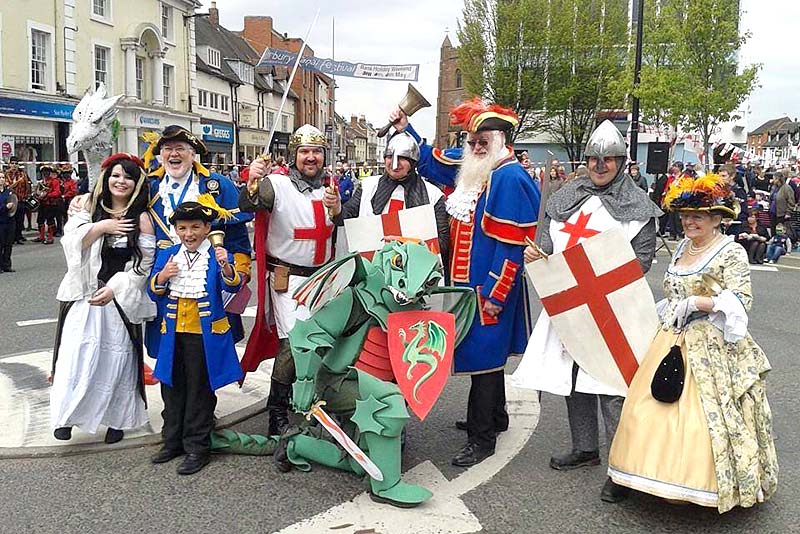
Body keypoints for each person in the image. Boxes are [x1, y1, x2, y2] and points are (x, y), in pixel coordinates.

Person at [608, 173, 778, 513]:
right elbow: (673, 292)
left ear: (717, 219)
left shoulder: (731, 252)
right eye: (685, 216)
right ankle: (635, 476)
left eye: (697, 216)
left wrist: (699, 304)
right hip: (671, 336)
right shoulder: (683, 247)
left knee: (703, 418)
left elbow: (741, 300)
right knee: (645, 406)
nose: (689, 222)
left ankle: (699, 485)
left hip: (710, 341)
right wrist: (668, 309)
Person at [512, 120, 662, 503]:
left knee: (612, 386)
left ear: (620, 161)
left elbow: (641, 260)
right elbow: (545, 245)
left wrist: (602, 281)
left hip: (614, 308)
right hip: (572, 304)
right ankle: (585, 448)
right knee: (574, 377)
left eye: (608, 159)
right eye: (594, 159)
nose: (600, 165)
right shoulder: (565, 196)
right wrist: (536, 255)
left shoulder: (637, 205)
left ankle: (622, 467)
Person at [439, 98, 540, 467]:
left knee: (482, 358)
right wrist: (406, 130)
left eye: (484, 140)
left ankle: (481, 438)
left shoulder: (509, 177)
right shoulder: (484, 171)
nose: (477, 147)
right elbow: (436, 160)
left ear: (501, 140)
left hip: (489, 289)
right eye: (473, 142)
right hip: (471, 287)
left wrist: (496, 294)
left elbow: (512, 248)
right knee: (487, 357)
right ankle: (496, 417)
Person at [239, 124, 340, 436]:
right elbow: (248, 204)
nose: (311, 158)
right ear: (293, 156)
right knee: (294, 345)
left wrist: (338, 211)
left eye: (316, 152)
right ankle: (277, 413)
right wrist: (253, 178)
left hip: (323, 280)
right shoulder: (277, 185)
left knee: (323, 345)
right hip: (288, 280)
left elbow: (340, 228)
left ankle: (311, 401)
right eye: (304, 152)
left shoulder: (331, 189)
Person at [50, 153, 156, 444]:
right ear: (106, 178)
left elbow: (143, 264)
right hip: (83, 294)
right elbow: (71, 244)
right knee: (76, 356)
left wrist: (116, 288)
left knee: (114, 361)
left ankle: (116, 419)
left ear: (137, 183)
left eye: (128, 177)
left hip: (118, 299)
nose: (121, 181)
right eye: (116, 175)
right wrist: (101, 227)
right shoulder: (87, 206)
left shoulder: (142, 218)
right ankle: (67, 416)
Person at [148, 200, 243, 475]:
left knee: (200, 391)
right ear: (176, 230)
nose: (189, 234)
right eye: (183, 228)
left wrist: (227, 266)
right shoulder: (169, 255)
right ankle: (172, 441)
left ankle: (197, 446)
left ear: (207, 228)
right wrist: (163, 276)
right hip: (173, 334)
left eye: (195, 227)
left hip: (205, 336)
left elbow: (233, 286)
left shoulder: (218, 254)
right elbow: (154, 290)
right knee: (172, 387)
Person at [144, 125, 252, 354]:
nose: (174, 154)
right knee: (169, 353)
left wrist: (239, 272)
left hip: (209, 283)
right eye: (167, 149)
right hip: (166, 278)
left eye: (180, 148)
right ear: (160, 154)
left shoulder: (217, 186)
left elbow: (238, 237)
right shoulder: (149, 186)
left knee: (209, 353)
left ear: (193, 154)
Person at [333, 130, 450, 270]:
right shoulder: (368, 187)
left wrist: (406, 246)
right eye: (390, 157)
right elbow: (344, 219)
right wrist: (336, 207)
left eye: (402, 158)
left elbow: (442, 243)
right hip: (372, 272)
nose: (395, 164)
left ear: (413, 162)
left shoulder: (433, 195)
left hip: (413, 274)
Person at [34, 165, 61, 245]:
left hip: (51, 204)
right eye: (44, 172)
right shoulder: (42, 182)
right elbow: (38, 192)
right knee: (40, 220)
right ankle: (41, 236)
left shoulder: (55, 181)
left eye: (47, 172)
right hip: (42, 204)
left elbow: (57, 192)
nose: (45, 173)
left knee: (50, 221)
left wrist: (47, 195)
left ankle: (50, 237)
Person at [7, 157, 30, 244]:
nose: (14, 165)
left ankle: (19, 236)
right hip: (11, 201)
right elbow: (7, 186)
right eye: (12, 163)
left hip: (21, 200)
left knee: (20, 219)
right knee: (12, 220)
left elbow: (27, 185)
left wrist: (26, 195)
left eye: (16, 163)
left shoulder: (22, 174)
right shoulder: (6, 174)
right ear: (9, 164)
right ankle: (11, 237)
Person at [0, 173, 18, 272]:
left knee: (8, 244)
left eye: (3, 177)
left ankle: (7, 265)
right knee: (0, 244)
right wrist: (5, 207)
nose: (2, 180)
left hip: (10, 221)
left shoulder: (9, 192)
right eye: (0, 178)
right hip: (0, 221)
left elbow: (14, 201)